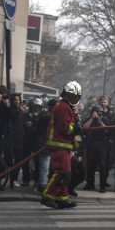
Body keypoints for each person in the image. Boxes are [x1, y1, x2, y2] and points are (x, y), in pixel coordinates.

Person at [41, 81, 82, 209]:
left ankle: (62, 199)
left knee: (66, 174)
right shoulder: (63, 107)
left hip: (64, 145)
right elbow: (64, 127)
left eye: (76, 97)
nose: (74, 99)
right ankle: (48, 196)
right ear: (66, 95)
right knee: (61, 173)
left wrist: (76, 124)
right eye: (72, 96)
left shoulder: (67, 107)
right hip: (59, 144)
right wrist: (75, 128)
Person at [82, 103, 110, 193]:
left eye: (100, 112)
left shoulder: (105, 119)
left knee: (102, 165)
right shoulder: (89, 119)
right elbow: (85, 127)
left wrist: (98, 119)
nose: (98, 114)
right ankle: (90, 184)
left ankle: (102, 185)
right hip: (91, 143)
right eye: (97, 112)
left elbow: (106, 129)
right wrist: (92, 118)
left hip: (102, 144)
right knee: (90, 165)